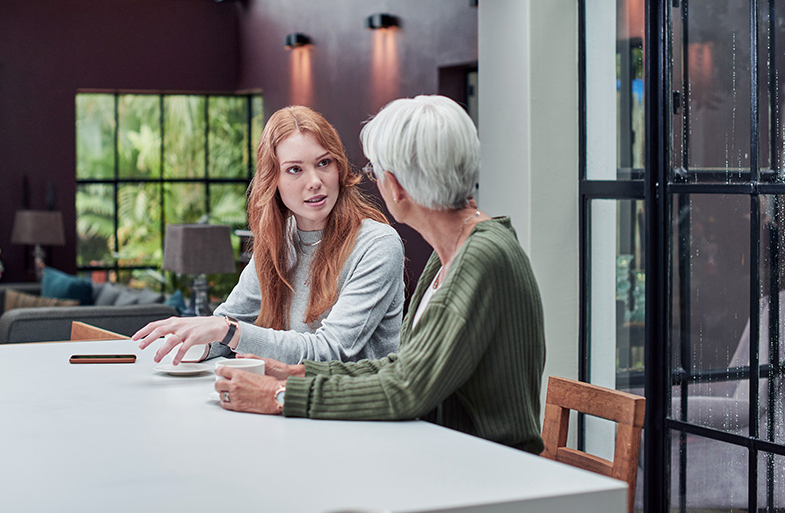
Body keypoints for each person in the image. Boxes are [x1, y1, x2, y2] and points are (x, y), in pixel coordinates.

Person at [211, 95, 547, 453]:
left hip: (484, 464)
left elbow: (407, 388)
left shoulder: (482, 258)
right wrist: (299, 373)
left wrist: (281, 394)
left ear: (396, 186)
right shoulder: (454, 252)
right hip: (442, 451)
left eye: (375, 173)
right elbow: (404, 367)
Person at [133, 105, 405, 366]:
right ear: (272, 180)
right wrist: (190, 345)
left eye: (324, 163)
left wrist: (227, 330)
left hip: (349, 398)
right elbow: (229, 323)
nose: (314, 182)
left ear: (340, 167)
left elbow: (331, 351)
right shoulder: (280, 239)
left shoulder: (377, 244)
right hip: (282, 393)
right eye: (295, 169)